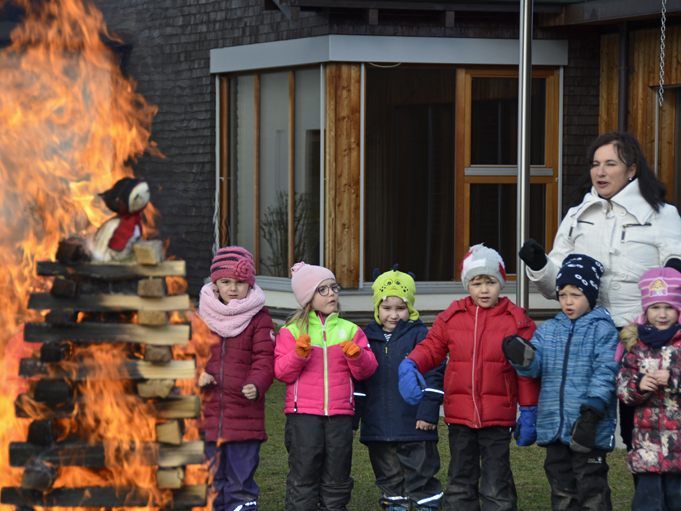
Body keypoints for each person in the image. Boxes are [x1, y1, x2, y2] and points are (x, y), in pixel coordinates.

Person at [518, 131, 681, 450]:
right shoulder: (578, 214)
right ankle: (589, 490)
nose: (601, 172)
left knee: (642, 428)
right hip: (588, 334)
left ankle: (648, 491)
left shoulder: (663, 214)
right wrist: (539, 264)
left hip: (643, 334)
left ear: (631, 169)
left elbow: (674, 268)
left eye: (610, 164)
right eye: (595, 164)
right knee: (588, 420)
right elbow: (555, 286)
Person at [398, 244, 539, 511]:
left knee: (496, 481)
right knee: (461, 478)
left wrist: (529, 409)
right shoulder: (452, 317)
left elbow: (527, 371)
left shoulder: (516, 320)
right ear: (467, 285)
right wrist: (410, 364)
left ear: (501, 283)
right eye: (477, 283)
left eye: (490, 282)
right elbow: (432, 348)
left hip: (498, 417)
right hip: (460, 416)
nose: (484, 290)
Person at [505, 254, 619, 511]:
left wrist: (592, 411)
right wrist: (522, 357)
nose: (568, 301)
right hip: (554, 427)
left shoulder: (603, 330)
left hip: (587, 426)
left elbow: (606, 371)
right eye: (563, 294)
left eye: (576, 295)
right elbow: (534, 370)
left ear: (590, 295)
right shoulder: (548, 330)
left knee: (591, 489)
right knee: (561, 488)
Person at [274, 262, 378, 511]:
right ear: (308, 297)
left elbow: (367, 370)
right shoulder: (291, 332)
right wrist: (299, 355)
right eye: (323, 289)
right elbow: (281, 372)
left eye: (334, 287)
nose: (332, 293)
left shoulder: (350, 330)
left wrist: (357, 356)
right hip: (303, 418)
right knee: (304, 473)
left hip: (339, 417)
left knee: (337, 474)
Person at [354, 269, 444, 511]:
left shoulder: (421, 335)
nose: (393, 315)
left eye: (400, 308)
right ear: (377, 308)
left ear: (410, 308)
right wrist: (354, 417)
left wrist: (428, 412)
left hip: (415, 425)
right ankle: (395, 504)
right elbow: (358, 380)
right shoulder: (365, 337)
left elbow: (434, 374)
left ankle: (426, 505)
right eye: (387, 308)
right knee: (388, 476)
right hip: (378, 426)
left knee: (421, 474)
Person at [197, 246, 275, 511]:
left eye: (240, 282)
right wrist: (197, 373)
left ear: (250, 284)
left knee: (240, 481)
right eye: (226, 282)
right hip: (208, 413)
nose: (233, 288)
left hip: (244, 414)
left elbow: (265, 357)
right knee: (210, 480)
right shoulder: (201, 317)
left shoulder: (259, 318)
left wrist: (257, 382)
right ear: (215, 284)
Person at [617, 267, 681, 511]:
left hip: (679, 447)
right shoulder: (635, 345)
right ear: (646, 311)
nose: (662, 314)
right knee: (648, 503)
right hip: (648, 448)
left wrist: (674, 378)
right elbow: (622, 387)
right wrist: (638, 385)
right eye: (655, 308)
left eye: (669, 308)